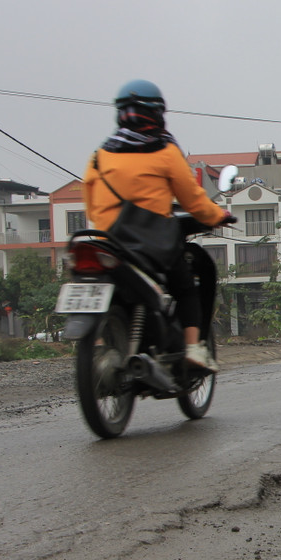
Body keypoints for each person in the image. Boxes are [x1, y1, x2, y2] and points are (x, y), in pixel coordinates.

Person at [82, 80, 234, 372]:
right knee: (186, 286)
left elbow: (90, 204)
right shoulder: (164, 151)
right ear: (157, 113)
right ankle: (193, 348)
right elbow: (193, 200)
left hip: (107, 241)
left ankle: (105, 344)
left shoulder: (100, 155)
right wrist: (217, 216)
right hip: (148, 245)